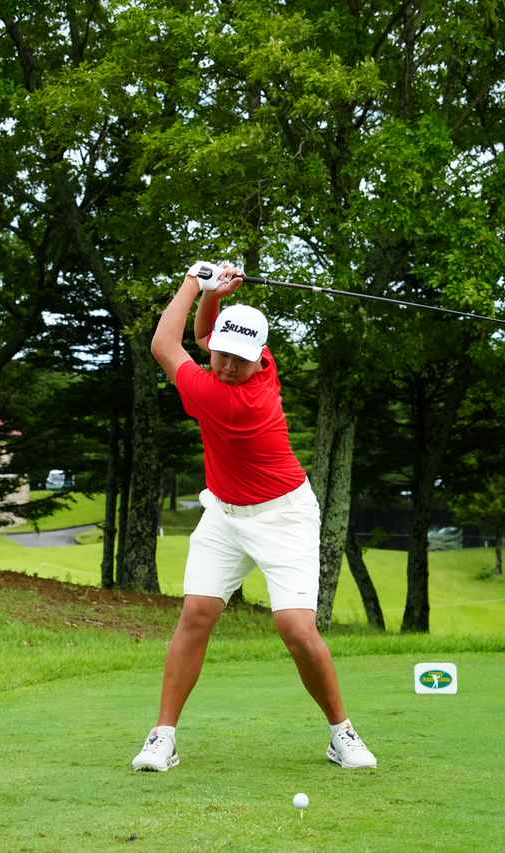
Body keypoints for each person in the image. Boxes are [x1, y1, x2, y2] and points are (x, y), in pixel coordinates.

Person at [131, 260, 377, 773]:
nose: (226, 366)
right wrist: (215, 296)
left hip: (283, 514)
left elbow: (165, 343)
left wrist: (194, 282)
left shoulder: (225, 399)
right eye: (222, 355)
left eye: (238, 360)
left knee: (296, 627)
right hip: (224, 514)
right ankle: (162, 736)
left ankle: (342, 732)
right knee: (196, 614)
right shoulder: (261, 360)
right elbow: (204, 334)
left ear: (257, 358)